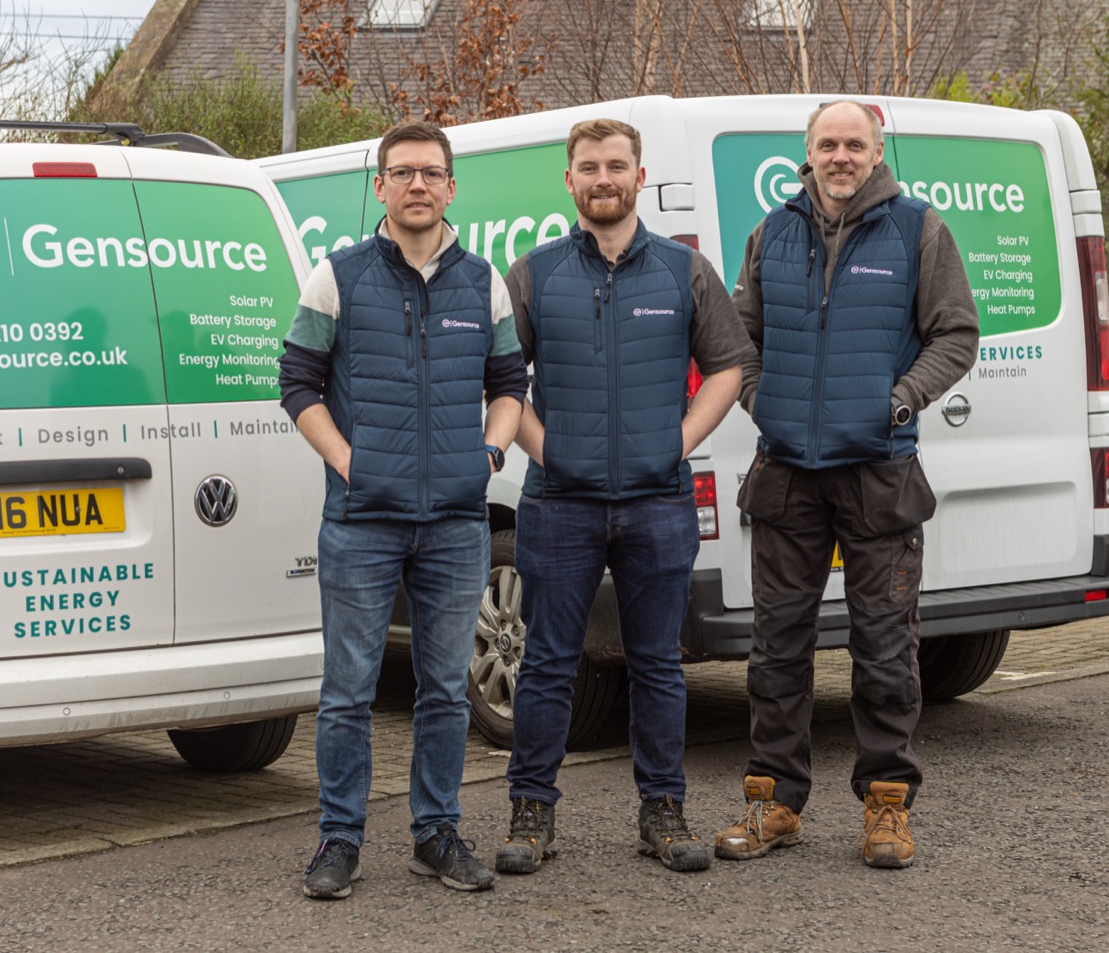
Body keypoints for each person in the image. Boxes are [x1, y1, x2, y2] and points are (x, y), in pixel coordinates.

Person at [714, 100, 979, 869]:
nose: (840, 156)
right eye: (827, 143)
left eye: (853, 144)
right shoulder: (774, 230)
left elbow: (956, 331)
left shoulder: (918, 229)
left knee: (887, 650)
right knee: (776, 650)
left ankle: (886, 809)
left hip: (878, 472)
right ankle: (774, 803)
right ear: (808, 151)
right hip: (787, 474)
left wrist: (901, 398)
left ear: (875, 150)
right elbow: (739, 335)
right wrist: (763, 398)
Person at [495, 118, 754, 876]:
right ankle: (531, 810)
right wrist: (546, 450)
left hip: (659, 499)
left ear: (638, 176)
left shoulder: (683, 271)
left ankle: (663, 811)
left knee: (656, 664)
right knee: (546, 662)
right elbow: (502, 378)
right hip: (557, 503)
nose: (602, 178)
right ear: (568, 181)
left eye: (615, 165)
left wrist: (678, 442)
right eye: (588, 167)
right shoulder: (534, 273)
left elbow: (732, 365)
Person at [279, 120, 528, 900]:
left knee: (446, 689)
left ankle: (436, 831)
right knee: (349, 690)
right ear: (380, 186)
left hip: (456, 521)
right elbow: (297, 383)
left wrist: (489, 455)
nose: (416, 184)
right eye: (401, 172)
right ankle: (339, 838)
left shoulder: (482, 281)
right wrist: (350, 460)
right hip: (361, 521)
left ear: (452, 187)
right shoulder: (338, 276)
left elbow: (511, 383)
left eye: (430, 172)